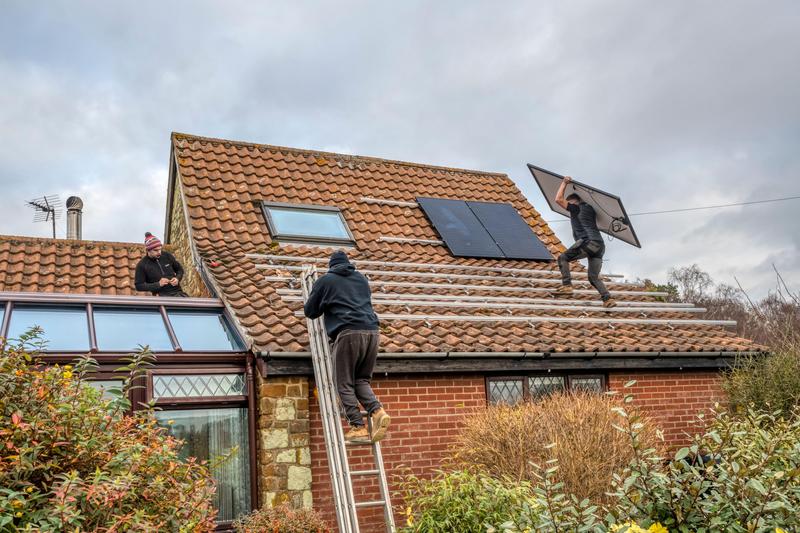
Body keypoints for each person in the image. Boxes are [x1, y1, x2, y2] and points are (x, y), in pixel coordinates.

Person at [303, 250, 391, 444]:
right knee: (361, 380)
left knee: (343, 382)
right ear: (349, 264)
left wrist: (323, 299)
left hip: (348, 333)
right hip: (373, 333)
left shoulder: (326, 281)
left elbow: (310, 311)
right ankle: (377, 412)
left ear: (331, 266)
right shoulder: (361, 279)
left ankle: (357, 427)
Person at [554, 176, 617, 308]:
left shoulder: (576, 208)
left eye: (569, 203)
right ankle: (607, 299)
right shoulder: (591, 210)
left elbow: (558, 199)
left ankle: (567, 286)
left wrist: (564, 183)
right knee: (593, 277)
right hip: (600, 247)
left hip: (588, 243)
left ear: (573, 202)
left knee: (562, 258)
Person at [134, 232, 188, 297]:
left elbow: (180, 270)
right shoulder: (142, 265)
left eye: (160, 249)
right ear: (148, 250)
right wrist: (158, 284)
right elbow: (139, 286)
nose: (159, 252)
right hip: (161, 297)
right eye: (156, 250)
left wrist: (177, 278)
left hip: (178, 293)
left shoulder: (167, 256)